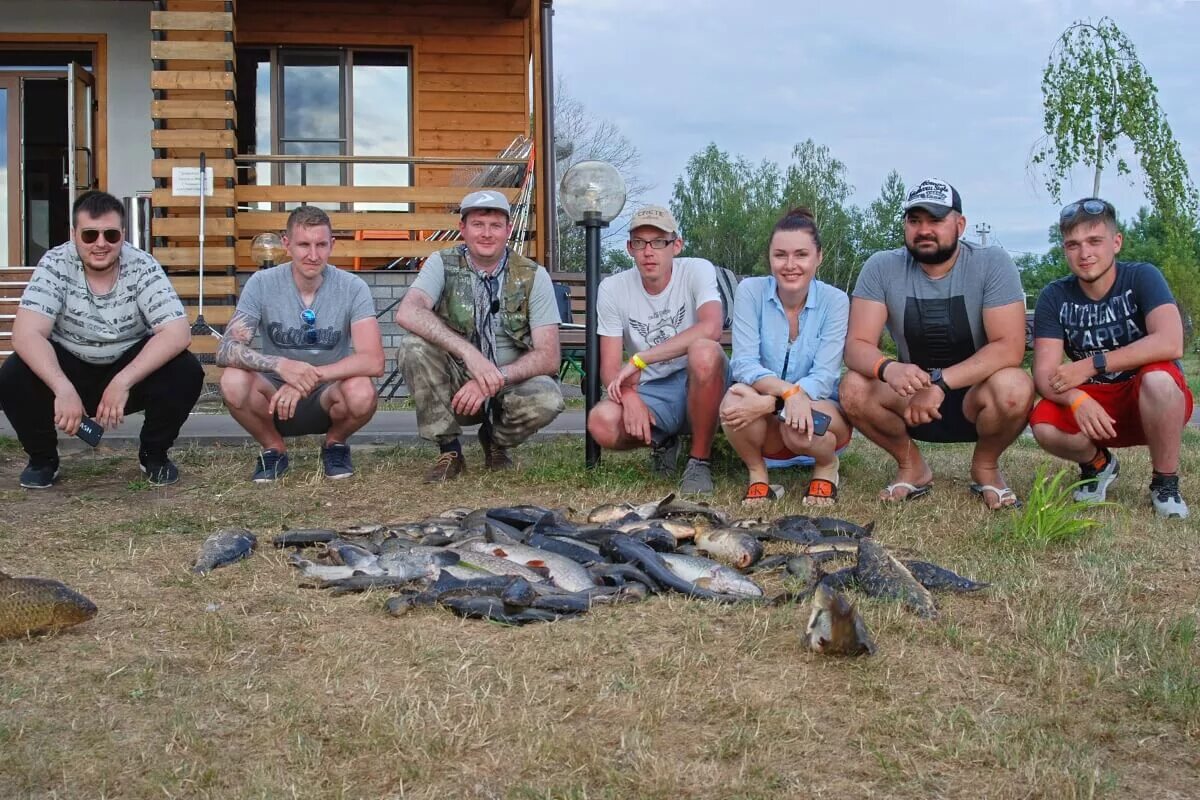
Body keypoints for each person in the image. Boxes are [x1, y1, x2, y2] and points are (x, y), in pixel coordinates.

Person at [839, 178, 1034, 508]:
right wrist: (888, 368)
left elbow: (1009, 347)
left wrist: (940, 383)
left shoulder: (992, 262)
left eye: (935, 220)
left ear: (960, 224)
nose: (924, 230)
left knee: (1016, 385)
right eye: (914, 221)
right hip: (911, 399)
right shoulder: (881, 267)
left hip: (978, 397)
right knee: (853, 386)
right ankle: (911, 466)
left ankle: (986, 467)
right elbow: (856, 345)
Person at [0, 190, 203, 488]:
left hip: (125, 366)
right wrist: (62, 387)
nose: (100, 243)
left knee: (186, 370)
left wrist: (123, 381)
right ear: (73, 234)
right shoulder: (55, 263)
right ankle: (43, 459)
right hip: (69, 364)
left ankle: (154, 455)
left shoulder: (142, 265)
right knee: (14, 374)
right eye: (89, 234)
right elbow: (26, 333)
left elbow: (177, 332)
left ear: (122, 234)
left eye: (110, 234)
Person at [1030, 198, 1192, 519]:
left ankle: (1165, 481)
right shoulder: (1054, 295)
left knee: (1158, 378)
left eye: (1094, 241)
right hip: (1096, 401)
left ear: (1116, 243)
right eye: (1072, 245)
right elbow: (1045, 373)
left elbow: (1171, 342)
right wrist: (1076, 398)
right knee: (1043, 422)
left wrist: (1093, 364)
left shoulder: (1142, 277)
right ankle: (1098, 465)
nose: (1084, 253)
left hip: (1148, 394)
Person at [394, 190, 564, 482]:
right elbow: (408, 312)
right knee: (412, 347)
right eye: (478, 224)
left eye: (495, 225)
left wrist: (492, 378)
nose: (486, 233)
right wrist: (470, 356)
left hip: (509, 383)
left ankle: (495, 440)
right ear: (463, 228)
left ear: (508, 230)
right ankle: (450, 449)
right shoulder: (441, 262)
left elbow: (549, 356)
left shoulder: (534, 275)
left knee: (548, 398)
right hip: (457, 382)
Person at [217, 205, 383, 482]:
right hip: (273, 396)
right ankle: (273, 448)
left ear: (332, 245)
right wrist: (281, 366)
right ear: (287, 244)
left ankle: (335, 444)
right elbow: (226, 349)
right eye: (304, 244)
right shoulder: (262, 283)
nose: (313, 255)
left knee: (362, 390)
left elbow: (373, 360)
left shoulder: (353, 287)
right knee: (232, 381)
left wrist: (307, 376)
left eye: (321, 244)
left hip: (328, 395)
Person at [586, 205, 728, 494]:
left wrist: (641, 359)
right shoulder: (612, 288)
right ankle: (663, 441)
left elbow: (712, 327)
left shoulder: (697, 269)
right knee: (601, 422)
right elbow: (610, 366)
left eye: (659, 242)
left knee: (704, 352)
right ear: (629, 248)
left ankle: (699, 460)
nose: (649, 251)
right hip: (652, 388)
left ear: (676, 245)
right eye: (639, 242)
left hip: (701, 377)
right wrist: (628, 396)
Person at [720, 208, 851, 505]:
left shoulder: (835, 300)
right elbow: (743, 363)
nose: (790, 265)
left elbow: (825, 375)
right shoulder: (750, 291)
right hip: (766, 422)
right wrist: (787, 393)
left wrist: (772, 402)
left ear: (819, 257)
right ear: (770, 257)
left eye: (801, 255)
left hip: (822, 419)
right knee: (733, 400)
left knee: (795, 427)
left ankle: (826, 466)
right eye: (780, 255)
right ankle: (758, 475)